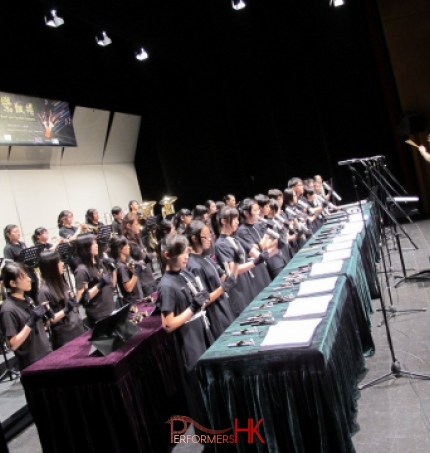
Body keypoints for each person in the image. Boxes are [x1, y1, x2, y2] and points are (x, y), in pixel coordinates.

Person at [156, 234, 212, 437]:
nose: (186, 256)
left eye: (187, 251)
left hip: (201, 332)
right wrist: (192, 307)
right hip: (189, 341)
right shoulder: (166, 286)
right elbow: (168, 325)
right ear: (167, 255)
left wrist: (201, 301)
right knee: (198, 392)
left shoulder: (185, 274)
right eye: (181, 252)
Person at [212, 205, 269, 317]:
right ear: (224, 221)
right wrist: (255, 262)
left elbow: (251, 253)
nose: (237, 222)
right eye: (234, 220)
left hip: (247, 282)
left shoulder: (234, 238)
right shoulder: (221, 244)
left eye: (238, 219)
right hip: (238, 289)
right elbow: (233, 272)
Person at [184, 220, 236, 339]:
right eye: (206, 236)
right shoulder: (193, 266)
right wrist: (223, 287)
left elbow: (222, 278)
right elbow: (204, 300)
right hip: (216, 316)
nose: (210, 239)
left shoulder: (205, 257)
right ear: (194, 238)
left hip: (224, 308)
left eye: (210, 235)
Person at [0, 262, 52, 371]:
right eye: (23, 277)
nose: (29, 279)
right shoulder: (8, 310)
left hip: (46, 353)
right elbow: (13, 344)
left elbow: (38, 328)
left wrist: (47, 319)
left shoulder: (28, 299)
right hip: (32, 364)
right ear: (13, 283)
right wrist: (30, 322)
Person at [37, 250, 84, 349]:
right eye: (59, 262)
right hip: (64, 339)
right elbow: (47, 322)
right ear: (51, 267)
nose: (62, 264)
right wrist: (65, 310)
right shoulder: (43, 291)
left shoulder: (61, 283)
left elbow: (72, 304)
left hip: (77, 330)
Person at [74, 233, 116, 327]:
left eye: (96, 242)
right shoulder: (81, 270)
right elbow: (81, 299)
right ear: (86, 247)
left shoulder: (99, 263)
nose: (96, 245)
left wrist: (113, 270)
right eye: (93, 243)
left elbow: (112, 285)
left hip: (110, 308)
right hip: (98, 315)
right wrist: (100, 285)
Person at [236, 198, 272, 294]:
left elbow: (266, 244)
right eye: (255, 210)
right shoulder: (242, 230)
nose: (258, 212)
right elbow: (259, 247)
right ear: (246, 213)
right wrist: (268, 233)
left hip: (263, 263)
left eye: (258, 210)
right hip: (256, 269)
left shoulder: (257, 225)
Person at [122, 213, 158, 297]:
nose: (139, 226)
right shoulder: (126, 243)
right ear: (128, 225)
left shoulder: (137, 238)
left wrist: (151, 254)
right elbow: (130, 263)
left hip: (149, 277)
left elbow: (143, 254)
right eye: (136, 224)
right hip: (142, 281)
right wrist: (148, 257)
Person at [4, 224, 38, 300]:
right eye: (15, 232)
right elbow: (10, 266)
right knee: (28, 297)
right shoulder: (8, 248)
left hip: (31, 273)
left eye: (18, 231)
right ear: (8, 235)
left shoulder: (22, 244)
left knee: (35, 295)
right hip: (22, 276)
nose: (18, 233)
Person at [109, 236, 144, 305]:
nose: (129, 247)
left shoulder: (126, 262)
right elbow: (128, 288)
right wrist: (136, 272)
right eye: (126, 245)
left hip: (137, 299)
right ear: (119, 249)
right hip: (132, 303)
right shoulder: (121, 267)